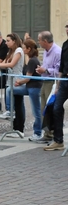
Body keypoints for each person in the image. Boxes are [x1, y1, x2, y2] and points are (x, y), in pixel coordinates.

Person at [0, 33, 24, 137]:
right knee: (16, 103)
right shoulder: (10, 51)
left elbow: (11, 64)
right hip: (10, 79)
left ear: (14, 41)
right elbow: (4, 62)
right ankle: (15, 128)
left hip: (17, 80)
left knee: (18, 105)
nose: (6, 42)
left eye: (8, 40)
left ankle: (20, 129)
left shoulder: (18, 50)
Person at [10, 39, 42, 141]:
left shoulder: (33, 60)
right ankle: (8, 109)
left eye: (24, 48)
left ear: (29, 49)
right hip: (30, 87)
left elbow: (28, 78)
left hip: (34, 88)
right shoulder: (31, 59)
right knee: (11, 90)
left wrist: (19, 82)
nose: (23, 49)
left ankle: (38, 133)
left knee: (36, 111)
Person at [44, 21, 68, 151]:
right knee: (56, 108)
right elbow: (61, 67)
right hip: (64, 81)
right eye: (67, 27)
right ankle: (58, 140)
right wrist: (58, 86)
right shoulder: (65, 45)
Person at [35, 31, 61, 143]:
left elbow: (59, 70)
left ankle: (53, 134)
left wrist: (45, 70)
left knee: (50, 108)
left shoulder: (57, 52)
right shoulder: (46, 51)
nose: (38, 42)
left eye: (39, 40)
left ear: (45, 41)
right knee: (43, 109)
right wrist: (42, 69)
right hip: (44, 81)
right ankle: (47, 133)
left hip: (52, 83)